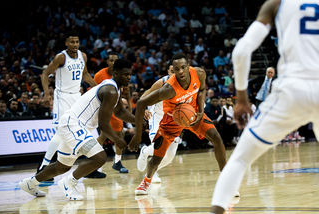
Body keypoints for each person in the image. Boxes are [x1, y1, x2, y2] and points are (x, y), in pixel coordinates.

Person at [210, 0, 319, 213]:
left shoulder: (276, 4)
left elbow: (241, 51)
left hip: (292, 90)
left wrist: (241, 98)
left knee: (240, 159)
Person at [19, 58, 135, 201]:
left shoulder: (114, 88)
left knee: (61, 166)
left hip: (74, 124)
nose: (129, 77)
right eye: (125, 74)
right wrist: (117, 139)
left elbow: (120, 112)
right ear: (116, 74)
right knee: (100, 157)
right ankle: (68, 182)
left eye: (130, 74)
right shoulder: (110, 90)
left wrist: (139, 120)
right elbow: (103, 123)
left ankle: (30, 183)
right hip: (74, 124)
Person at [129, 53, 227, 195]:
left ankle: (225, 179)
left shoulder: (199, 73)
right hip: (171, 121)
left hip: (193, 114)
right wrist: (138, 135)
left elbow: (202, 89)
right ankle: (146, 181)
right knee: (157, 157)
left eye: (183, 67)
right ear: (172, 71)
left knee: (216, 137)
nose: (180, 71)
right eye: (176, 69)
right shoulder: (168, 89)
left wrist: (200, 109)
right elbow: (141, 102)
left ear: (188, 66)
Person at [37, 31, 98, 180]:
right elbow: (45, 74)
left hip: (77, 97)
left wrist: (98, 87)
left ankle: (90, 166)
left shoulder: (83, 56)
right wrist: (46, 93)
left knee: (84, 129)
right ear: (66, 43)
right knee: (60, 132)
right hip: (62, 97)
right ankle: (43, 166)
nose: (75, 45)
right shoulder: (61, 57)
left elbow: (85, 75)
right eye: (72, 42)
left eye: (77, 42)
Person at [137, 61, 181, 183]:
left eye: (176, 71)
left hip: (173, 119)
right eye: (172, 71)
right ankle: (145, 151)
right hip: (158, 116)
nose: (174, 74)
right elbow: (145, 95)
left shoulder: (184, 83)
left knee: (170, 156)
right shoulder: (161, 82)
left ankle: (153, 171)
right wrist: (144, 108)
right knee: (159, 147)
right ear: (168, 72)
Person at [93, 52, 131, 174]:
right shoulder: (99, 75)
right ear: (107, 62)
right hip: (104, 108)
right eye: (111, 60)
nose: (113, 62)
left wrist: (129, 109)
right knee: (104, 135)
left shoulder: (122, 75)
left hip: (116, 107)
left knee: (119, 133)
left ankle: (117, 161)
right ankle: (93, 161)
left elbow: (127, 93)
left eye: (116, 60)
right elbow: (94, 93)